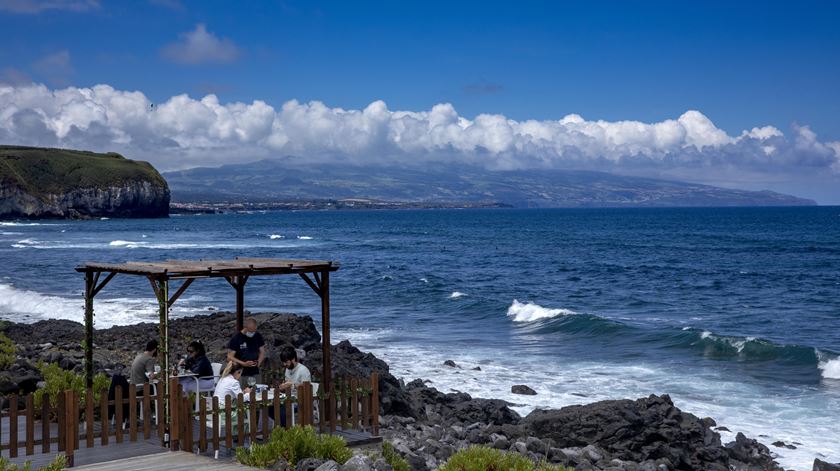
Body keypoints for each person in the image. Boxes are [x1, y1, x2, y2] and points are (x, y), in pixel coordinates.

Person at [271, 346, 311, 427]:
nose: (284, 364)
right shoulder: (288, 369)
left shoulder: (303, 370)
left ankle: (287, 429)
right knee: (270, 408)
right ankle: (283, 427)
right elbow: (287, 383)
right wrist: (283, 386)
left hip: (300, 400)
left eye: (286, 362)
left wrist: (292, 385)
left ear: (293, 359)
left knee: (282, 410)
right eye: (283, 362)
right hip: (288, 398)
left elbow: (306, 388)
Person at [227, 317, 265, 388]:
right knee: (241, 395)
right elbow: (229, 357)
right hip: (241, 373)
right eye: (251, 331)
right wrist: (243, 363)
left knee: (256, 394)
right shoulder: (236, 338)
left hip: (255, 372)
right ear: (246, 328)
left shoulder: (257, 336)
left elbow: (262, 352)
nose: (253, 333)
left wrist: (258, 362)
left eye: (254, 331)